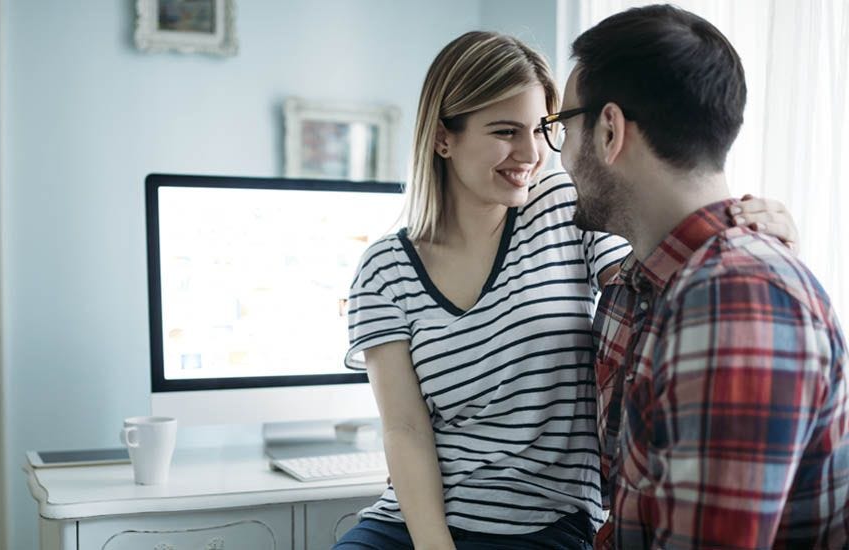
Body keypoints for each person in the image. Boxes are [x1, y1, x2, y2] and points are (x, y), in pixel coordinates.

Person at [334, 30, 797, 550]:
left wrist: (743, 232)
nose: (531, 153)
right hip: (415, 524)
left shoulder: (562, 205)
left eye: (540, 128)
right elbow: (405, 431)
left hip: (545, 524)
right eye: (506, 131)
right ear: (444, 137)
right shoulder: (384, 269)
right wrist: (434, 545)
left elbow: (654, 284)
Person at [550, 5, 849, 548]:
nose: (561, 154)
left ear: (609, 130)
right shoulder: (625, 291)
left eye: (562, 126)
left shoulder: (738, 301)